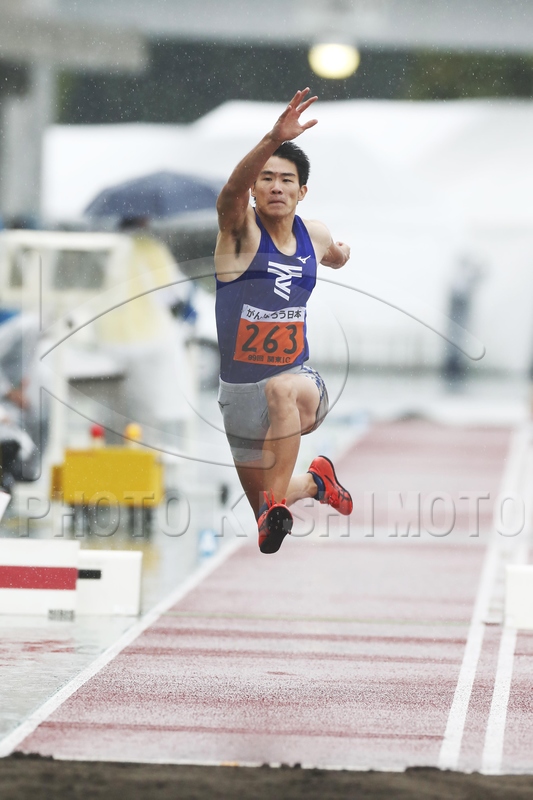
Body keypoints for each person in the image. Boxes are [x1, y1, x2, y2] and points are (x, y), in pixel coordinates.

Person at [215, 88, 353, 555]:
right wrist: (274, 136)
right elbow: (229, 193)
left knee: (280, 388)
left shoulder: (313, 233)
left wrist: (340, 256)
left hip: (297, 383)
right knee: (266, 514)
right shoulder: (240, 233)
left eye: (286, 180)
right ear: (255, 189)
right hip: (237, 393)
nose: (276, 187)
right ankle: (316, 482)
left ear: (301, 191)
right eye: (267, 179)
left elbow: (334, 254)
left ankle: (283, 495)